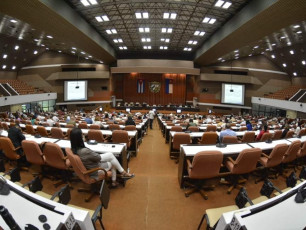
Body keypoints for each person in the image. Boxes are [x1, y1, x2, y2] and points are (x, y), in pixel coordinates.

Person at [70, 128, 134, 188]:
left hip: (89, 167)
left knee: (111, 158)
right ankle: (122, 174)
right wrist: (93, 153)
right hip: (95, 171)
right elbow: (98, 158)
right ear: (79, 138)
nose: (83, 136)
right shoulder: (85, 151)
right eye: (82, 135)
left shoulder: (74, 149)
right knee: (111, 157)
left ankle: (115, 181)